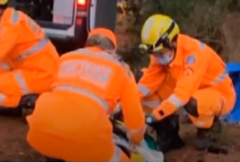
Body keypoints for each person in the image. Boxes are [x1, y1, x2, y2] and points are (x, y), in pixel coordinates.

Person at [26, 28, 146, 161]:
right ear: (112, 51)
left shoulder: (65, 58)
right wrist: (136, 138)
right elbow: (135, 121)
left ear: (87, 45)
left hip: (40, 135)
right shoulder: (121, 69)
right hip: (87, 140)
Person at [138, 14, 236, 152]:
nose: (156, 57)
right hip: (188, 90)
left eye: (159, 52)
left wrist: (155, 115)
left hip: (220, 95)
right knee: (148, 94)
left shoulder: (194, 54)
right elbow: (147, 83)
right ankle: (169, 133)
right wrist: (123, 103)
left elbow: (182, 95)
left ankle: (208, 130)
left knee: (193, 101)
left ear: (171, 42)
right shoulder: (161, 54)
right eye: (153, 53)